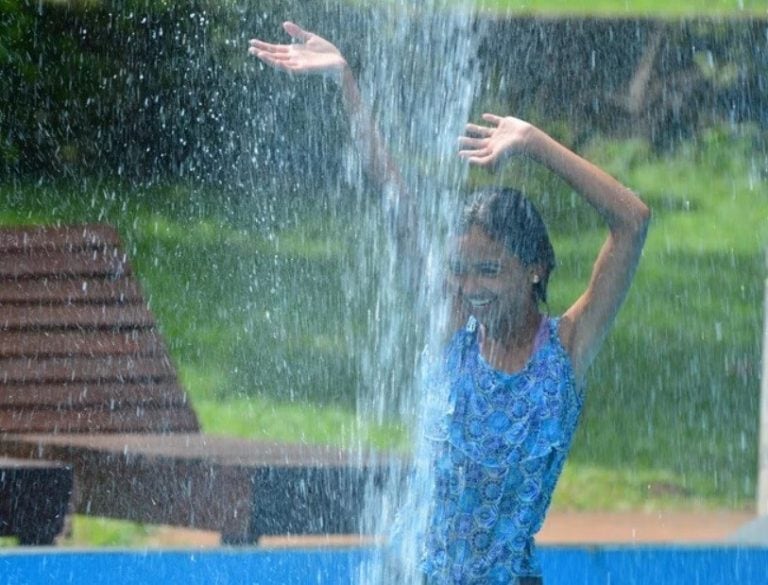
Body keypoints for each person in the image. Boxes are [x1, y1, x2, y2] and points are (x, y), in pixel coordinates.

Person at [250, 22, 650, 585]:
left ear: (534, 267)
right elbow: (393, 198)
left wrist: (534, 143)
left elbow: (632, 222)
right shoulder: (453, 331)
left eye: (490, 270)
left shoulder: (567, 350)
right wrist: (347, 85)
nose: (471, 287)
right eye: (460, 270)